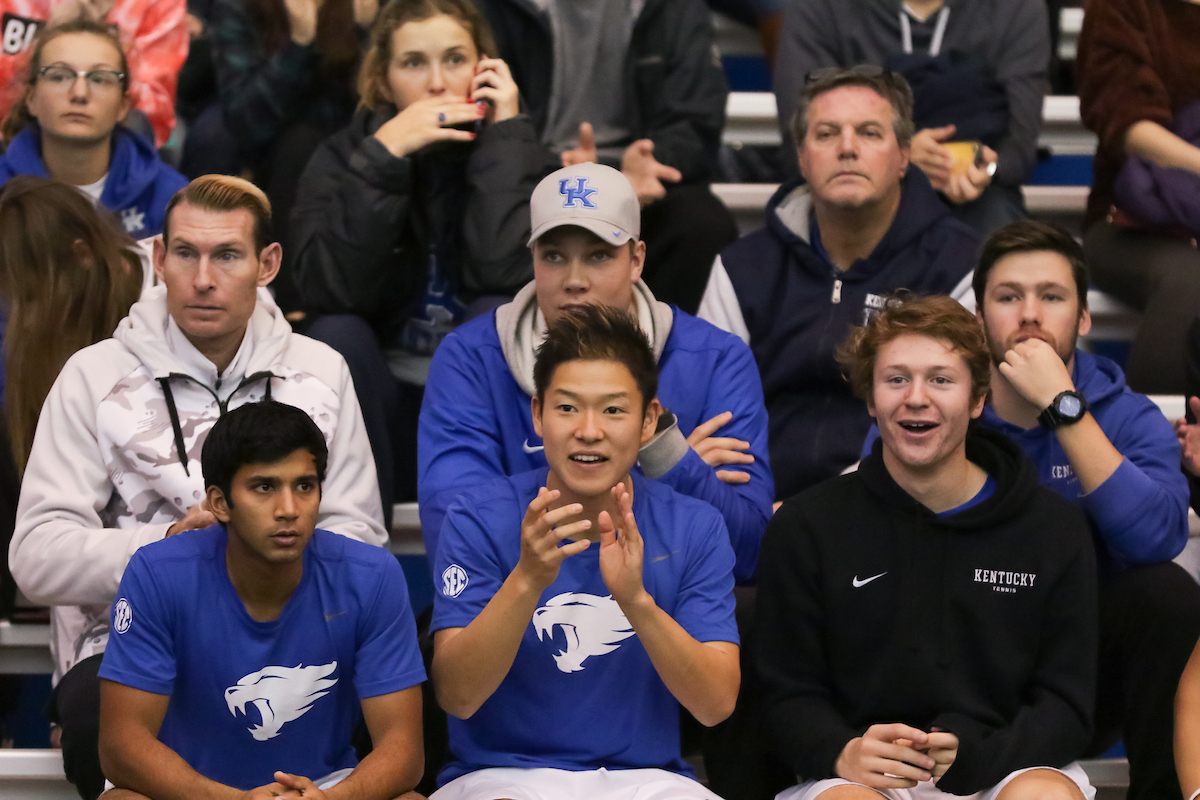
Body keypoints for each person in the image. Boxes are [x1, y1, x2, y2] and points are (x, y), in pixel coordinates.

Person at [9, 174, 387, 800]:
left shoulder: (319, 372)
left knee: (380, 702)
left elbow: (360, 537)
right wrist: (171, 549)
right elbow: (35, 556)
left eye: (227, 256)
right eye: (185, 254)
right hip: (131, 644)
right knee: (93, 716)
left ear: (267, 264)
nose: (203, 278)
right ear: (158, 260)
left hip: (294, 634)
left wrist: (261, 552)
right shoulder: (93, 375)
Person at [862, 219, 1197, 800]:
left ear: (1084, 319)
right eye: (1009, 297)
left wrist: (1063, 409)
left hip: (1075, 672)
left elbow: (1159, 538)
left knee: (1165, 595)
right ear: (979, 317)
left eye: (1052, 297)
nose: (1030, 314)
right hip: (948, 652)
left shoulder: (1126, 415)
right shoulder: (929, 407)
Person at [758, 292, 1097, 800]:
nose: (916, 397)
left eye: (941, 379)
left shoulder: (1053, 528)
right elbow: (783, 695)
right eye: (897, 379)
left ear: (978, 399)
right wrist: (840, 750)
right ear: (871, 398)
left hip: (1006, 765)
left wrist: (980, 758)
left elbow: (1067, 705)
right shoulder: (808, 526)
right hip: (860, 773)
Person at [429, 303, 739, 799]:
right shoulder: (477, 518)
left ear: (647, 421)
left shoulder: (695, 525)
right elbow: (457, 696)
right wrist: (527, 578)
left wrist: (636, 601)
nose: (589, 430)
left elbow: (716, 703)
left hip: (647, 781)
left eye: (614, 409)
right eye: (568, 407)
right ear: (538, 415)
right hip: (501, 778)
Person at [418, 162, 773, 585]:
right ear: (532, 258)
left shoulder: (716, 358)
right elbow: (457, 542)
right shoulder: (470, 358)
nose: (574, 280)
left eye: (599, 255)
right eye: (554, 256)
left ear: (636, 259)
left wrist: (664, 451)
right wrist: (663, 478)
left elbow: (750, 550)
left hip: (667, 611)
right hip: (526, 617)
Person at [291, 0, 557, 515]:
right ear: (384, 82)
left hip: (480, 418)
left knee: (497, 315)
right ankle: (358, 551)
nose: (437, 82)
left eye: (455, 59)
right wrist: (382, 161)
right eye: (414, 63)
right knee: (336, 334)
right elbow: (326, 291)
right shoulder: (343, 157)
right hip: (378, 409)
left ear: (486, 70)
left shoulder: (519, 155)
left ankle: (487, 543)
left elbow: (506, 272)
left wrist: (503, 139)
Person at [97, 401, 424, 800]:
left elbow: (403, 750)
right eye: (264, 487)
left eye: (304, 486)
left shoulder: (372, 576)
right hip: (193, 791)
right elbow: (121, 745)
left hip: (323, 790)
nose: (289, 510)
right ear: (218, 503)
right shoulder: (157, 574)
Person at [698, 65, 977, 499]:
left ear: (904, 155)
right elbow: (714, 413)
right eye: (827, 134)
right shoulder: (742, 267)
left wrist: (813, 513)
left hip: (893, 506)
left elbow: (948, 421)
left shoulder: (957, 265)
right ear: (802, 157)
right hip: (754, 506)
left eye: (868, 133)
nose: (847, 149)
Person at [467, 0, 737, 314]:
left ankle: (663, 356)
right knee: (494, 249)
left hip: (638, 183)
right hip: (536, 178)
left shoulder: (675, 6)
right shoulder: (498, 8)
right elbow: (491, 116)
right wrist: (558, 172)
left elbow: (697, 118)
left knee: (702, 223)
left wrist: (638, 169)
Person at [773, 0, 1049, 235]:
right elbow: (802, 138)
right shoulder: (821, 6)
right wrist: (897, 159)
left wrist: (978, 167)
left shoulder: (1016, 7)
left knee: (997, 226)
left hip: (979, 198)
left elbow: (1019, 148)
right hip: (850, 198)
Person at [196, 0, 376, 305]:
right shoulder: (240, 7)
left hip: (357, 151)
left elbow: (375, 110)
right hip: (275, 157)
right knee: (296, 144)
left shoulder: (370, 6)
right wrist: (299, 46)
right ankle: (295, 304)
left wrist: (364, 31)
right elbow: (246, 122)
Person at [1076, 0, 1200, 395]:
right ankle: (1150, 444)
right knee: (1191, 281)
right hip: (1133, 223)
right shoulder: (1122, 7)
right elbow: (1128, 122)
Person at [0, 18, 187, 238]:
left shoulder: (170, 198)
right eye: (59, 76)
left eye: (100, 79)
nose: (80, 93)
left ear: (122, 106)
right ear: (31, 99)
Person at [0, 0, 187, 147]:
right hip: (13, 130)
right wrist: (53, 39)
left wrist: (99, 42)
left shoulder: (157, 3)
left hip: (105, 147)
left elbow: (154, 115)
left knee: (137, 123)